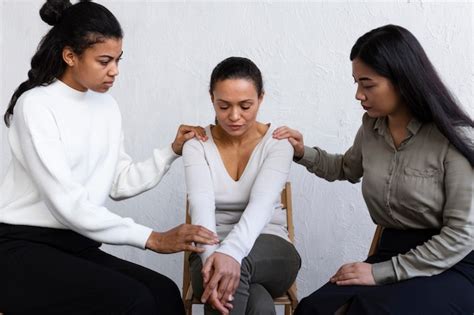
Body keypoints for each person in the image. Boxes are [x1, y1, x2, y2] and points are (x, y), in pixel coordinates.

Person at [0, 1, 219, 314]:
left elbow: (117, 181)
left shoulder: (107, 107)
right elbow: (67, 204)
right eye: (104, 61)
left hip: (76, 245)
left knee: (164, 292)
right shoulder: (35, 105)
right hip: (21, 248)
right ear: (70, 56)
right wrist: (153, 239)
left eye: (118, 60)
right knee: (134, 301)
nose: (114, 70)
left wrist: (170, 152)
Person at [273, 24, 474, 314]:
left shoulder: (453, 138)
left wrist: (379, 273)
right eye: (356, 83)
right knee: (314, 309)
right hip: (392, 249)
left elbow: (462, 235)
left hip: (454, 262)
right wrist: (303, 153)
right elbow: (347, 168)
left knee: (370, 309)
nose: (358, 95)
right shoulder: (372, 127)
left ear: (403, 81)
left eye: (367, 85)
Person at [182, 56, 301, 315]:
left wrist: (231, 255)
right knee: (257, 303)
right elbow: (201, 209)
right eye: (223, 106)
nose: (234, 116)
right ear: (211, 99)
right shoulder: (197, 144)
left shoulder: (278, 143)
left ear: (261, 98)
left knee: (234, 268)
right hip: (208, 252)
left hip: (272, 248)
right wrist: (214, 259)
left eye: (245, 106)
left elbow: (262, 204)